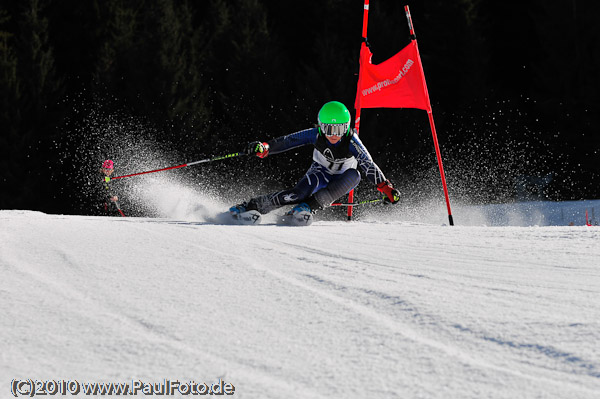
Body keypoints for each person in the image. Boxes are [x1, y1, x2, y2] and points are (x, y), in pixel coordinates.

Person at [229, 101, 400, 218]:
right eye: (328, 128)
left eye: (339, 130)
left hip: (342, 178)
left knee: (355, 175)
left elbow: (367, 164)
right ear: (321, 126)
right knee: (298, 194)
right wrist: (265, 147)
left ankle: (308, 208)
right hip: (320, 171)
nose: (333, 135)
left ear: (347, 128)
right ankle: (250, 206)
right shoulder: (315, 134)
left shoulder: (352, 142)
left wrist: (385, 187)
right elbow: (289, 141)